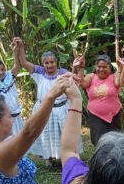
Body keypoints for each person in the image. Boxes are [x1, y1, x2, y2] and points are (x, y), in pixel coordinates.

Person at [14, 37, 82, 167]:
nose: (50, 65)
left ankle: (65, 158)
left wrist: (75, 68)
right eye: (47, 63)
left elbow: (74, 80)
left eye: (52, 62)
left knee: (64, 133)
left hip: (62, 109)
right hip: (44, 109)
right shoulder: (39, 72)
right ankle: (48, 157)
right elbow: (23, 62)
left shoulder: (63, 73)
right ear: (43, 64)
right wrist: (21, 46)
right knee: (46, 134)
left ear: (56, 62)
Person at [77, 54, 122, 146]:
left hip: (114, 114)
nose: (101, 69)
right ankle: (101, 159)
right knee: (99, 140)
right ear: (96, 67)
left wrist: (121, 67)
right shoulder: (91, 77)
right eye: (99, 66)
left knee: (115, 140)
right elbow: (82, 83)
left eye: (104, 67)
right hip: (95, 115)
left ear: (110, 67)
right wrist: (81, 67)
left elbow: (118, 83)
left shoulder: (114, 76)